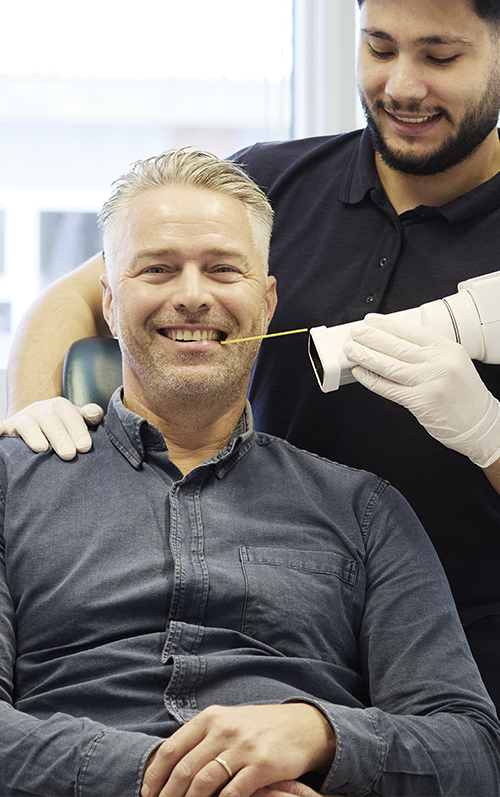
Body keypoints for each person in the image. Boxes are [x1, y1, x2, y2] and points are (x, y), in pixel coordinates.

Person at [4, 0, 500, 709]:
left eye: (440, 56)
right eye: (379, 48)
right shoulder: (274, 184)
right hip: (277, 621)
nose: (402, 85)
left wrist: (486, 431)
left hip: (463, 651)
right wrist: (36, 439)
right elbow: (83, 294)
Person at [3, 148, 500, 797]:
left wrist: (318, 736)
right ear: (110, 302)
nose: (191, 296)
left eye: (221, 269)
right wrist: (189, 782)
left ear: (267, 305)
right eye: (157, 269)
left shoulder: (364, 512)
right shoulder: (16, 486)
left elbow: (470, 752)